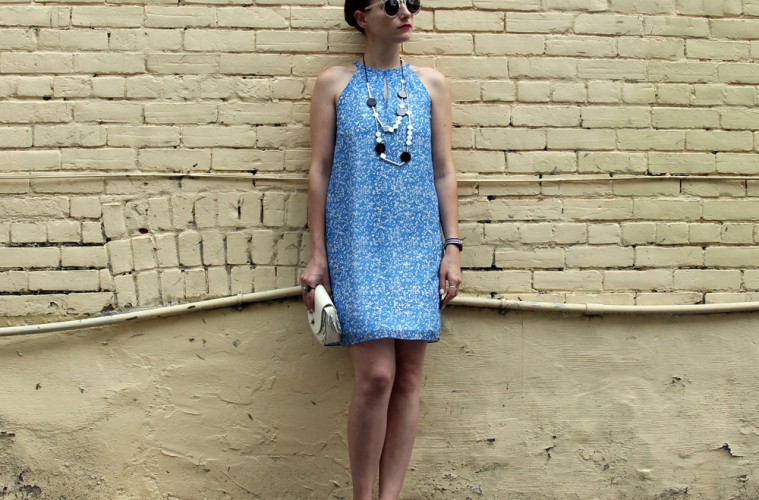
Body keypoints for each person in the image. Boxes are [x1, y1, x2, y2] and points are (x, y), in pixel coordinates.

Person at [300, 0, 462, 497]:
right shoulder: (334, 83)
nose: (405, 12)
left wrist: (452, 247)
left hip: (418, 241)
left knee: (408, 379)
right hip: (357, 242)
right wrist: (317, 254)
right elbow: (319, 170)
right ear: (361, 17)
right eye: (391, 5)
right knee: (376, 376)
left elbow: (443, 171)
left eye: (412, 3)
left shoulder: (431, 84)